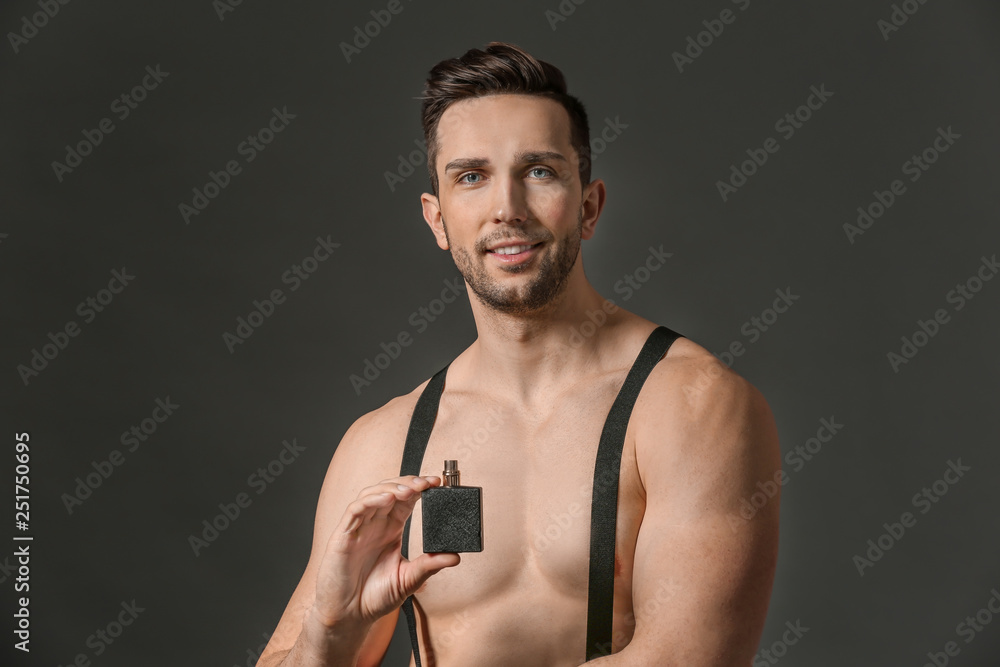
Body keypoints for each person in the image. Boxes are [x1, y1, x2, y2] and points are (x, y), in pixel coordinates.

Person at [257, 41, 781, 667]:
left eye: (539, 170)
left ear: (588, 207)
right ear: (437, 219)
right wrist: (332, 632)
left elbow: (689, 659)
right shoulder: (385, 444)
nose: (506, 208)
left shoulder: (691, 406)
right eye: (471, 177)